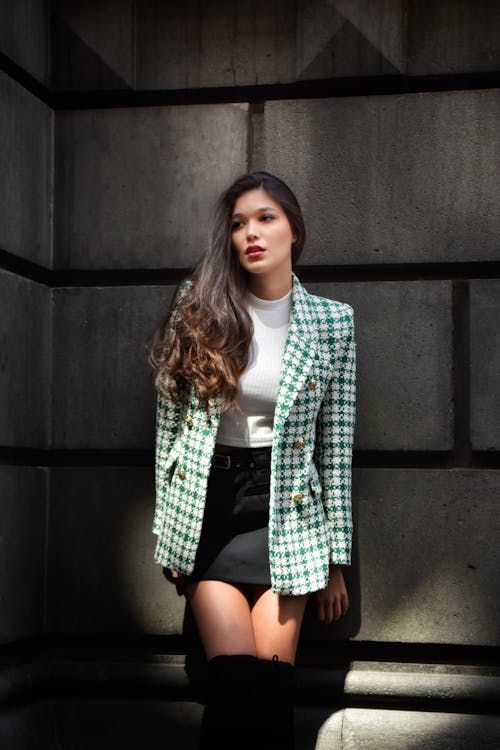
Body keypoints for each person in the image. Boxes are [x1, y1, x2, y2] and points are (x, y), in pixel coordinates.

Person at [149, 171, 356, 749]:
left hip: (286, 518)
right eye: (239, 223)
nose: (251, 234)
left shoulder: (332, 322)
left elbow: (335, 448)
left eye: (266, 218)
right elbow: (169, 426)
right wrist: (171, 531)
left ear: (294, 229)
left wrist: (335, 561)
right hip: (211, 511)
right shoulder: (199, 306)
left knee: (271, 688)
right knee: (233, 683)